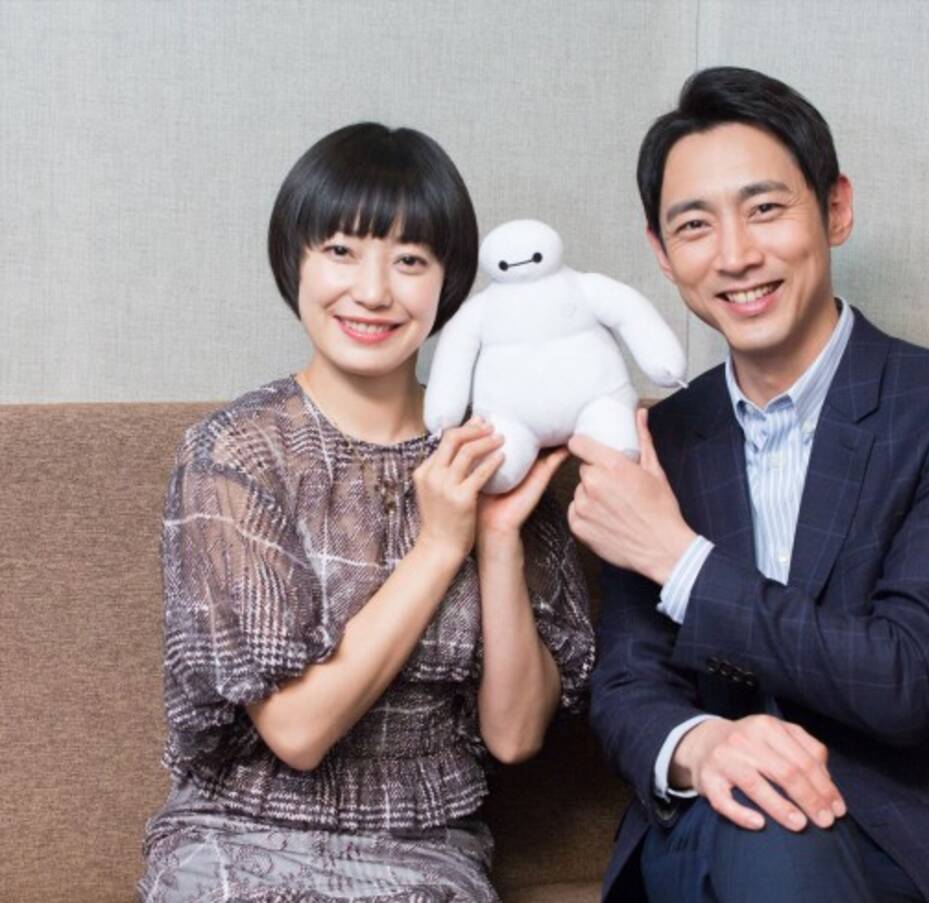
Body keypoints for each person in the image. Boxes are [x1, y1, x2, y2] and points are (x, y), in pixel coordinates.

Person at [569, 67, 929, 902]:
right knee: (757, 813)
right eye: (695, 225)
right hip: (720, 824)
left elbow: (905, 679)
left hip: (916, 841)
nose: (735, 255)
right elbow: (625, 682)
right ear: (662, 254)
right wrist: (701, 744)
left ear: (835, 209)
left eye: (764, 208)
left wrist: (679, 560)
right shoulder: (662, 439)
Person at [138, 123, 594, 901]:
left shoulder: (492, 446)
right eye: (342, 250)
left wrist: (495, 536)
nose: (374, 291)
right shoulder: (234, 453)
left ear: (449, 283)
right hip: (236, 831)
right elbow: (298, 733)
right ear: (296, 260)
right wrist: (439, 547)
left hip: (422, 850)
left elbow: (515, 737)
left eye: (410, 259)